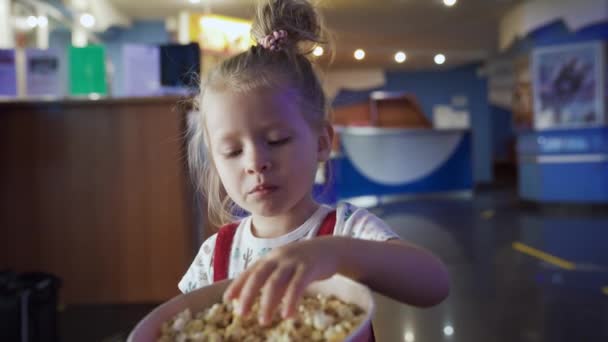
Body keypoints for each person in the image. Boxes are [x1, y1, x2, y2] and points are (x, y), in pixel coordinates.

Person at [179, 0, 450, 329]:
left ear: (322, 142)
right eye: (232, 151)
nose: (255, 163)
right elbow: (185, 327)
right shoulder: (214, 256)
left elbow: (435, 284)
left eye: (277, 140)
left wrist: (338, 254)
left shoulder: (346, 229)